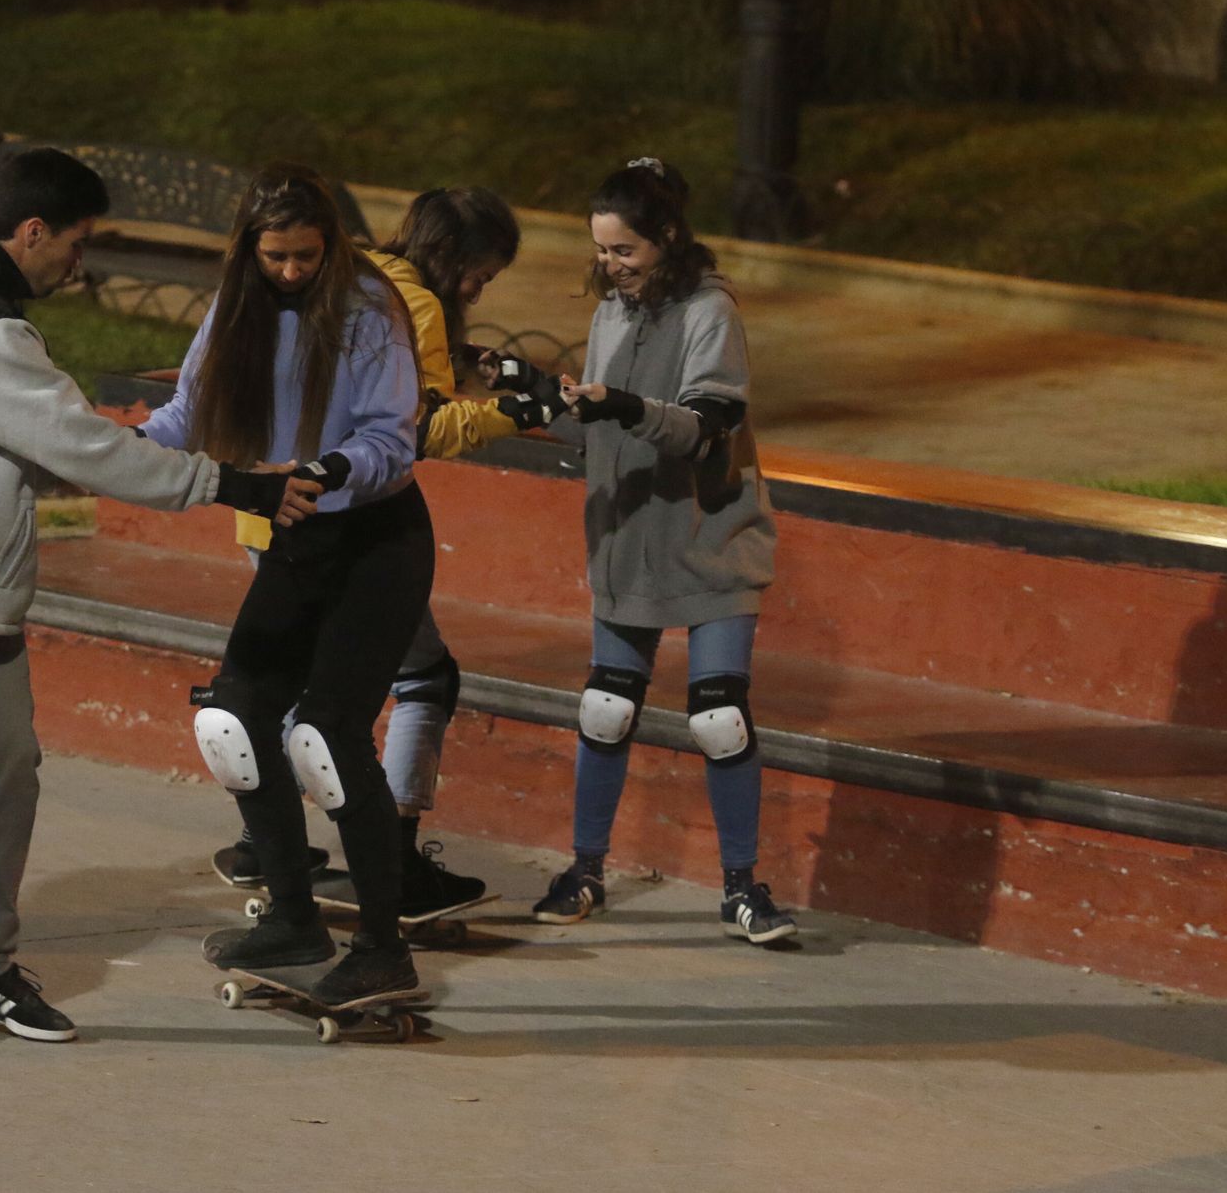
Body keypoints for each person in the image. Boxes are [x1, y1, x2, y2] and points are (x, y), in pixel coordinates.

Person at [0, 147, 321, 1048]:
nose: (79, 265)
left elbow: (66, 433)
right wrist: (235, 486)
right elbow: (87, 449)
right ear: (33, 232)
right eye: (76, 244)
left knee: (9, 775)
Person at [217, 186, 564, 913]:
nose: (478, 288)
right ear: (453, 258)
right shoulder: (415, 306)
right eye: (482, 275)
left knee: (277, 687)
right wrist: (522, 412)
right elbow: (419, 429)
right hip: (345, 521)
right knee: (421, 680)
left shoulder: (354, 279)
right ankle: (396, 859)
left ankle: (265, 845)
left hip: (264, 515)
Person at [139, 162, 434, 1001]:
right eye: (277, 257)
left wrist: (327, 466)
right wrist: (104, 453)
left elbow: (391, 439)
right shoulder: (236, 309)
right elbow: (183, 417)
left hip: (377, 538)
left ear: (331, 245)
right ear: (249, 250)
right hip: (297, 536)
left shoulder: (369, 309)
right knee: (232, 719)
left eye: (307, 256)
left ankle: (384, 948)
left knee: (328, 737)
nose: (294, 273)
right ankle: (293, 918)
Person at [502, 157, 796, 943]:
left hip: (708, 538)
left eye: (623, 251)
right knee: (604, 709)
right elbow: (596, 420)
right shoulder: (612, 314)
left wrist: (624, 405)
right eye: (602, 251)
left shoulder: (709, 311)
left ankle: (741, 888)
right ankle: (585, 869)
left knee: (718, 717)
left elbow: (703, 424)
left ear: (667, 237)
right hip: (626, 538)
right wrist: (534, 400)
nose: (610, 266)